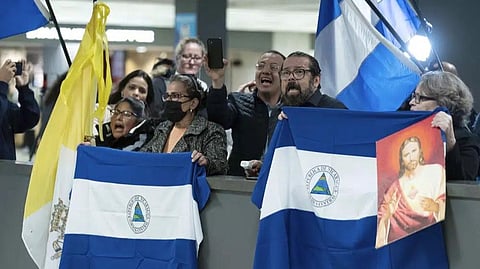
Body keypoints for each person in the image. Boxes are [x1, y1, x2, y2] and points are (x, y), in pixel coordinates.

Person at [206, 50, 285, 176]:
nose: (265, 71)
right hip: (240, 180)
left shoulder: (291, 109)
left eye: (274, 67)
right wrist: (217, 81)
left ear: (284, 75)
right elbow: (218, 119)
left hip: (278, 180)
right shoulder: (239, 101)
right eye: (261, 66)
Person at [140, 74, 227, 176]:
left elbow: (220, 165)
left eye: (176, 96)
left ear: (193, 103)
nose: (169, 100)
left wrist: (205, 162)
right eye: (167, 96)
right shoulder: (162, 128)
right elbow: (144, 155)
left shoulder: (211, 130)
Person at [376, 136, 446, 248]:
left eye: (414, 151)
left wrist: (436, 207)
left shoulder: (435, 171)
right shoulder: (394, 188)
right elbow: (382, 216)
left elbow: (443, 200)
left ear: (420, 151)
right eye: (406, 155)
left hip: (431, 240)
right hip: (402, 247)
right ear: (402, 160)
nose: (411, 157)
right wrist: (388, 215)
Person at [409, 71, 480, 181]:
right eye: (413, 96)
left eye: (420, 97)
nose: (412, 102)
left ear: (443, 102)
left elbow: (463, 188)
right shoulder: (408, 134)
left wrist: (450, 144)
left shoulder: (467, 141)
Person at [0, 59, 40, 160]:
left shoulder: (6, 105)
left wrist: (24, 89)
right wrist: (2, 84)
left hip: (7, 171)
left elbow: (30, 119)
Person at [279, 51, 347, 109]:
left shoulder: (334, 109)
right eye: (286, 73)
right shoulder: (278, 111)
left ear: (316, 81)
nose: (290, 77)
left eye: (299, 72)